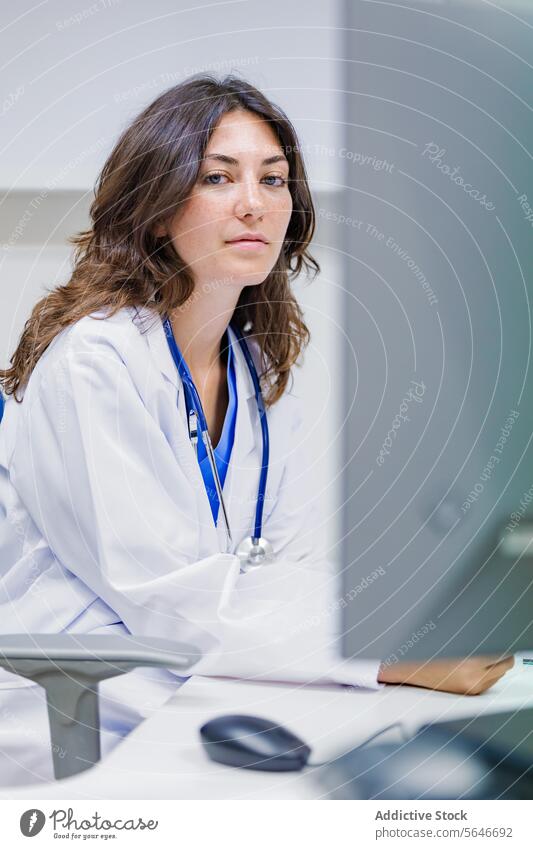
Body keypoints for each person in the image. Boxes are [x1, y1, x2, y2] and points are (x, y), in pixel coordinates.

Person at [0, 75, 513, 785]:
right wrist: (390, 653)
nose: (254, 203)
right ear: (154, 210)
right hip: (92, 714)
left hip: (217, 686)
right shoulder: (96, 360)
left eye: (273, 180)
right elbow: (165, 593)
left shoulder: (257, 366)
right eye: (217, 176)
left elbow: (295, 560)